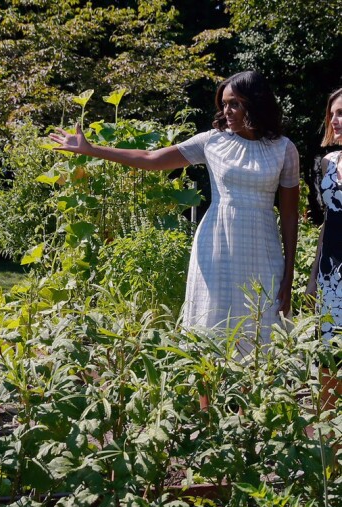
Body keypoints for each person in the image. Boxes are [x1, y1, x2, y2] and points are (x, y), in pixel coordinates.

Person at [50, 71, 300, 408]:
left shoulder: (284, 150)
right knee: (213, 325)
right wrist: (91, 149)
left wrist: (290, 272)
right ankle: (207, 416)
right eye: (224, 105)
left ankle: (254, 418)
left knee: (261, 325)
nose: (227, 111)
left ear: (255, 103)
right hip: (217, 247)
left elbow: (289, 215)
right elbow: (153, 160)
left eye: (235, 104)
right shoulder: (212, 141)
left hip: (263, 246)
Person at [306, 87, 342, 412]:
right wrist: (313, 276)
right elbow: (327, 223)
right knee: (329, 355)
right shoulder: (328, 163)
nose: (335, 120)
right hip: (332, 275)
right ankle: (331, 450)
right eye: (332, 114)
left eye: (341, 113)